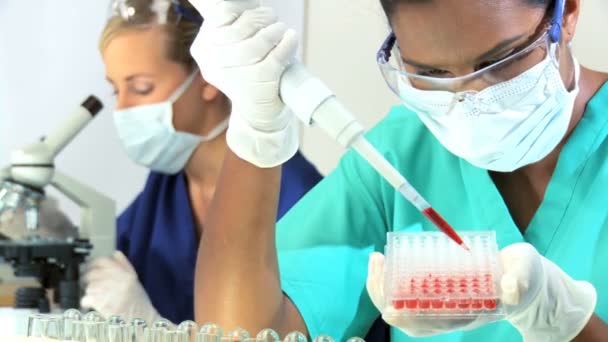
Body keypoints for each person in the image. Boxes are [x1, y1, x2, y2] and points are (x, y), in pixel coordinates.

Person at [188, 0, 608, 340]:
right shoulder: (396, 154)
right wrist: (256, 132)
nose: (471, 100)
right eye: (431, 74)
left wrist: (572, 325)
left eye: (502, 61)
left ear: (567, 13)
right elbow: (243, 333)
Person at [79, 0, 322, 325]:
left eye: (141, 88)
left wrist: (152, 327)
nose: (122, 109)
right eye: (115, 91)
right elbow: (103, 264)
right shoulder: (163, 194)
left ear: (209, 78)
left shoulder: (301, 201)